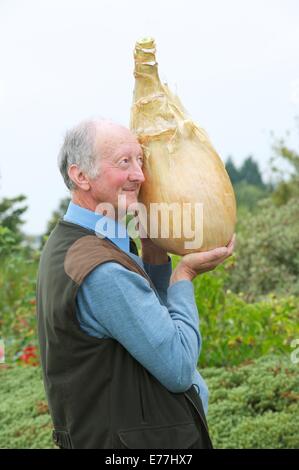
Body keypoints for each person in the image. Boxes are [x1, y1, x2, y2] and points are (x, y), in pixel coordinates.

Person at [36, 118, 235, 449]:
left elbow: (144, 319)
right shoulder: (101, 269)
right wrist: (183, 276)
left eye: (140, 161)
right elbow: (179, 367)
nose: (139, 175)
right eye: (123, 162)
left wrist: (154, 254)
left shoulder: (77, 243)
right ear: (80, 175)